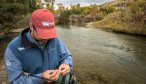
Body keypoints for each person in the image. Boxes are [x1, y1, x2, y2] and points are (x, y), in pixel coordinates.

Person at [4, 9, 73, 84]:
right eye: (43, 34)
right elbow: (15, 80)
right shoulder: (13, 49)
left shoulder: (55, 39)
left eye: (49, 33)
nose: (47, 38)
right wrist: (40, 78)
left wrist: (66, 63)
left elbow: (66, 56)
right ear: (31, 26)